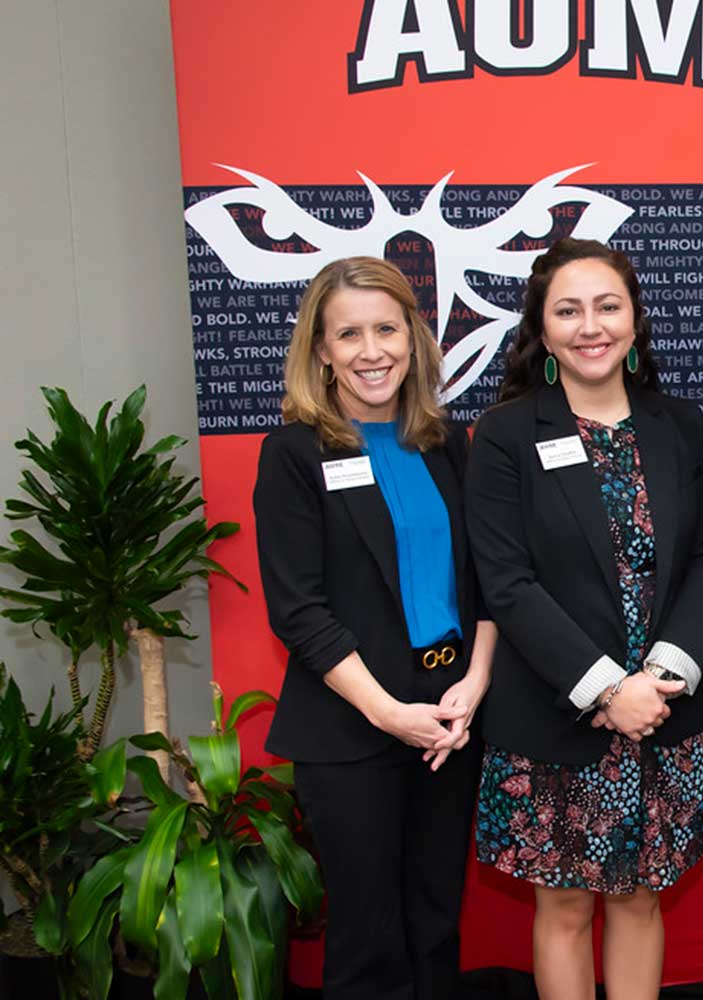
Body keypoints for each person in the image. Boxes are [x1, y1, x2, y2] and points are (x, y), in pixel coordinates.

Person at [465, 238, 703, 1000]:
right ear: (542, 332)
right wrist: (611, 690)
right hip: (559, 714)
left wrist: (665, 675)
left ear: (635, 320)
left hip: (665, 714)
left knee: (642, 896)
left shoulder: (679, 426)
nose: (591, 326)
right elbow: (506, 583)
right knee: (565, 902)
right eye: (568, 310)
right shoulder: (508, 434)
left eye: (608, 306)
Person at [253, 256, 495, 1000]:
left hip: (448, 724)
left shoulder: (446, 444)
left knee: (435, 924)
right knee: (368, 940)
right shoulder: (294, 454)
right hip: (352, 730)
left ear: (414, 337)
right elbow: (299, 611)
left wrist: (472, 691)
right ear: (320, 350)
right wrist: (389, 713)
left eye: (387, 328)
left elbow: (487, 584)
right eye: (348, 334)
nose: (371, 350)